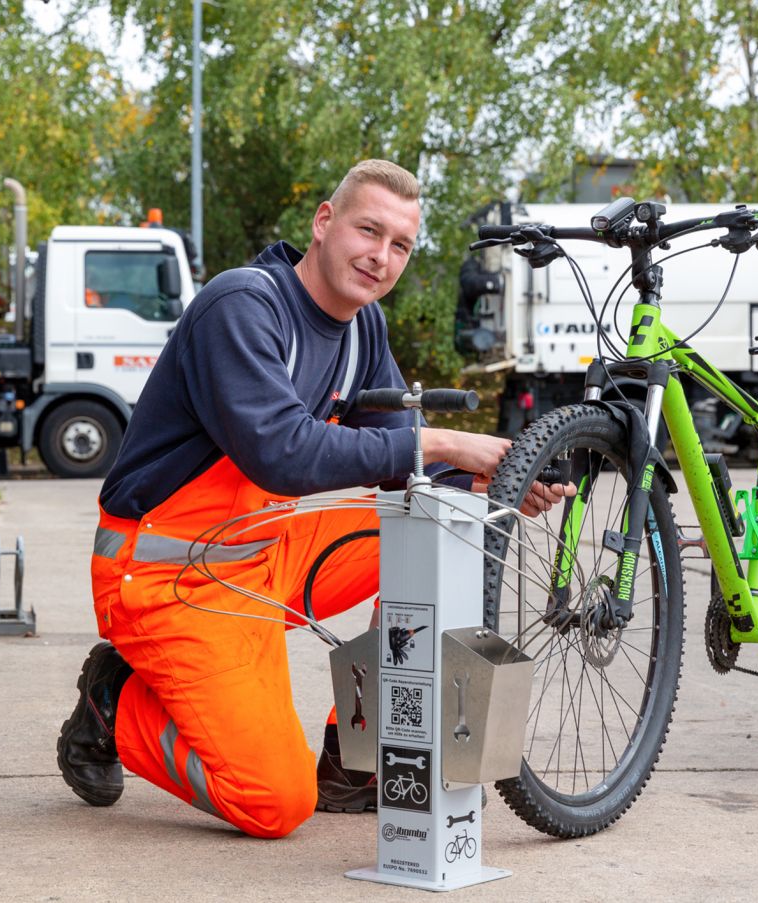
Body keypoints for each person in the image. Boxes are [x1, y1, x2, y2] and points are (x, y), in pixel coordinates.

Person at [56, 160, 569, 839]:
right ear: (323, 222)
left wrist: (489, 480)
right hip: (169, 576)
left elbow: (396, 447)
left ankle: (355, 755)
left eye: (401, 245)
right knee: (274, 803)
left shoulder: (363, 330)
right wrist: (443, 445)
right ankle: (112, 701)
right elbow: (282, 451)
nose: (380, 257)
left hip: (265, 553)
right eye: (368, 230)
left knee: (444, 524)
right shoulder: (242, 307)